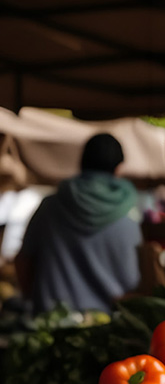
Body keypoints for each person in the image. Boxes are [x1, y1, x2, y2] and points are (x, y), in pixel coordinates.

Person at [15, 133, 141, 313]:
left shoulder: (50, 207)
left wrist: (31, 298)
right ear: (118, 169)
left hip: (49, 325)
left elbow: (23, 261)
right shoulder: (129, 216)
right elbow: (131, 280)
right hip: (107, 327)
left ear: (81, 163)